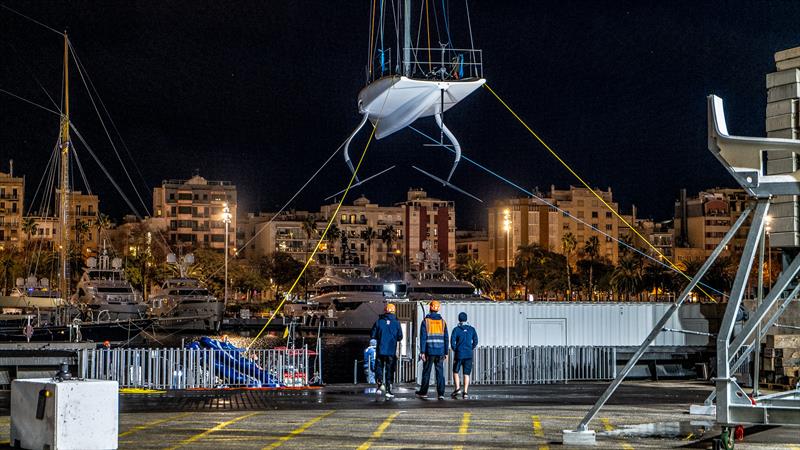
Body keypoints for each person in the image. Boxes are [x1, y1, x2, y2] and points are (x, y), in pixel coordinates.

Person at [415, 300, 449, 400]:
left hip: (429, 351)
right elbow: (446, 338)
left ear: (430, 308)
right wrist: (446, 352)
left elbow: (423, 338)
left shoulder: (426, 321)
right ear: (438, 309)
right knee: (440, 373)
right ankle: (441, 394)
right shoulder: (443, 322)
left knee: (426, 372)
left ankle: (423, 392)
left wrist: (422, 352)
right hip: (440, 351)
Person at [370, 303, 403, 398]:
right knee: (390, 370)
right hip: (391, 351)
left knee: (379, 367)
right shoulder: (397, 323)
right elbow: (400, 337)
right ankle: (388, 389)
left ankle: (379, 384)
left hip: (380, 350)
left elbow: (373, 334)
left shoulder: (379, 322)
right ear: (394, 311)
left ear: (385, 311)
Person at [450, 312, 478, 399]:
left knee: (455, 371)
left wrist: (456, 349)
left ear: (459, 319)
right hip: (468, 354)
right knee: (466, 373)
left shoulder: (456, 329)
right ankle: (465, 392)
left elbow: (452, 342)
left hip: (459, 354)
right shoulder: (472, 329)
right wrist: (471, 348)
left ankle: (457, 388)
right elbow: (476, 341)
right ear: (466, 319)